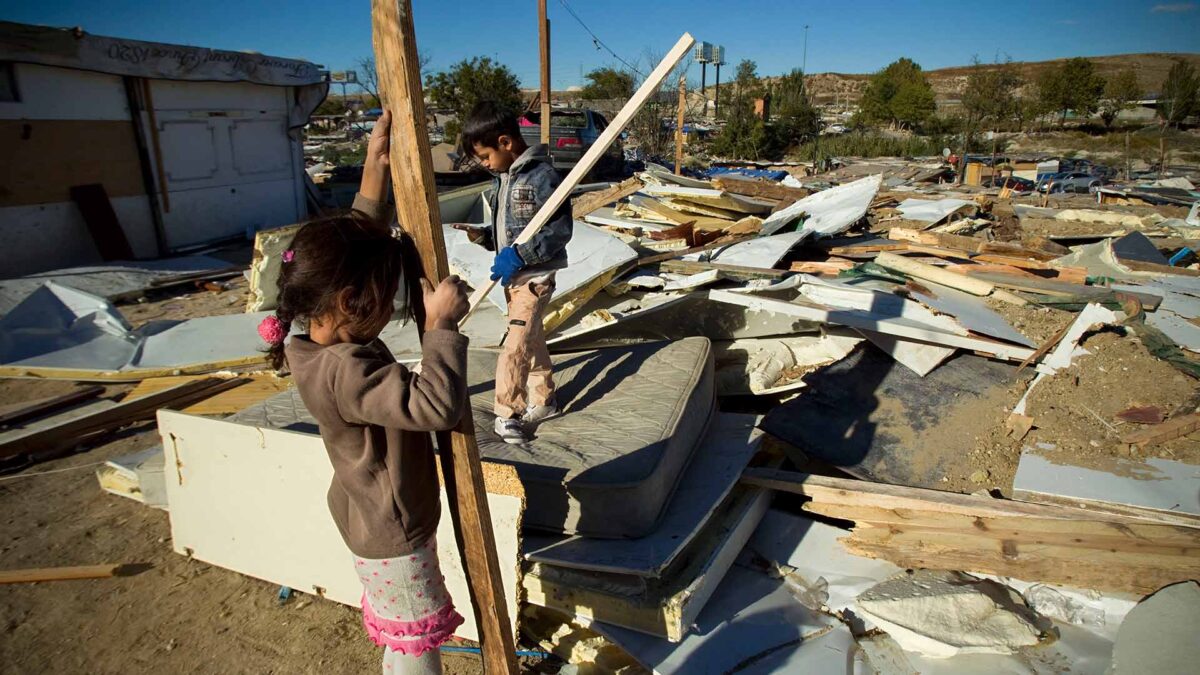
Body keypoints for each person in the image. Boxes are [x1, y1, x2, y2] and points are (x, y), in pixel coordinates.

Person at [258, 110, 470, 675]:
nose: (390, 307)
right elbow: (435, 408)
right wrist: (441, 328)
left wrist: (374, 172)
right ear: (352, 303)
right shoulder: (345, 371)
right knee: (415, 646)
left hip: (368, 517)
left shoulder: (312, 339)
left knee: (401, 633)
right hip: (392, 531)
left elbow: (349, 242)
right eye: (384, 298)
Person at [456, 101, 573, 444]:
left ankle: (507, 413)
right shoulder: (504, 178)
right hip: (515, 277)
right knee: (532, 341)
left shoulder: (542, 177)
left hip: (535, 278)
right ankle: (545, 399)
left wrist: (520, 256)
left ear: (506, 142)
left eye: (484, 156)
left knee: (515, 345)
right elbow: (514, 230)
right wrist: (486, 236)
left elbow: (558, 231)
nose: (483, 164)